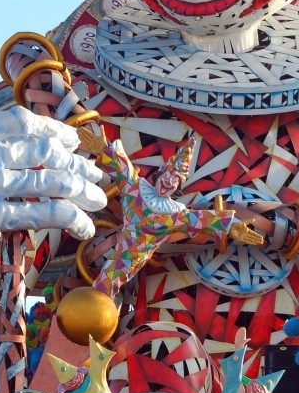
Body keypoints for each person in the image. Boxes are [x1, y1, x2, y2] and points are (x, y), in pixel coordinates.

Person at [78, 126, 263, 299]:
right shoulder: (136, 189)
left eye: (175, 180)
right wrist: (103, 148)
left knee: (110, 280)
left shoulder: (174, 215)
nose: (169, 181)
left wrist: (232, 226)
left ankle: (99, 302)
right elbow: (122, 168)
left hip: (131, 256)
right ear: (160, 175)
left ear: (177, 188)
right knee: (107, 279)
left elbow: (201, 219)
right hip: (114, 246)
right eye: (167, 175)